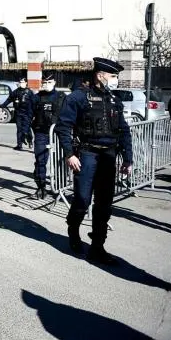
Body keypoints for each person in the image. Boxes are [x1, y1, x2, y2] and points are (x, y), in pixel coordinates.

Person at [55, 57, 133, 265]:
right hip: (87, 154)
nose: (115, 80)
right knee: (82, 199)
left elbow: (124, 130)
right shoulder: (78, 97)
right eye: (113, 76)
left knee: (104, 203)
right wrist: (69, 153)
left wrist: (128, 158)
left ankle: (98, 246)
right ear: (100, 75)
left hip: (109, 155)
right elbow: (63, 127)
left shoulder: (114, 99)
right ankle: (74, 232)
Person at [25, 72, 66, 199]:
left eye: (49, 82)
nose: (46, 85)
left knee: (59, 161)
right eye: (44, 83)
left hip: (57, 134)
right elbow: (28, 115)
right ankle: (41, 187)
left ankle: (60, 188)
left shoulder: (61, 97)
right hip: (41, 133)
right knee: (40, 161)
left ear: (54, 83)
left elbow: (69, 116)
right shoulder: (36, 97)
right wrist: (26, 132)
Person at [2, 77, 34, 150]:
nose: (21, 83)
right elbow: (9, 99)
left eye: (23, 82)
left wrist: (33, 114)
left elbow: (33, 103)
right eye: (20, 82)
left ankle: (30, 142)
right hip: (18, 113)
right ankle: (19, 145)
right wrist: (2, 106)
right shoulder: (16, 92)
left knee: (27, 129)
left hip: (27, 113)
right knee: (19, 129)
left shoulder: (29, 92)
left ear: (26, 83)